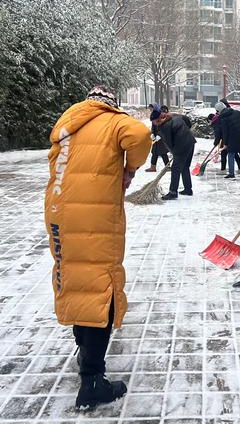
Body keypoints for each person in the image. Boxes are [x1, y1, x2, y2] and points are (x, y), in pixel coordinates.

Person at [44, 86, 151, 408]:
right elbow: (140, 135)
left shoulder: (69, 123)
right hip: (95, 214)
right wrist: (130, 168)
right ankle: (92, 381)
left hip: (60, 212)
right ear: (109, 104)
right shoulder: (111, 120)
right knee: (100, 287)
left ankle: (84, 353)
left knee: (79, 283)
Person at [150, 105, 196, 200]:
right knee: (184, 166)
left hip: (182, 145)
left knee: (175, 168)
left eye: (153, 121)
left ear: (157, 119)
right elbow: (187, 121)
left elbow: (169, 143)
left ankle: (173, 192)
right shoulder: (174, 116)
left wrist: (175, 154)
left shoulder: (164, 126)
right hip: (190, 142)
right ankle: (188, 189)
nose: (153, 123)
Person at [215, 100, 240, 179]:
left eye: (217, 111)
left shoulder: (223, 117)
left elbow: (225, 132)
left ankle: (231, 174)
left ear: (219, 110)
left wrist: (225, 143)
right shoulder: (235, 112)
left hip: (232, 138)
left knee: (231, 155)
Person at [145, 104, 169, 172]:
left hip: (161, 137)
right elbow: (153, 126)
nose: (150, 110)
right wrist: (152, 134)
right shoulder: (154, 115)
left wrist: (160, 135)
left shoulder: (162, 116)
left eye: (151, 108)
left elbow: (163, 127)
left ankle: (167, 166)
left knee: (163, 152)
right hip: (155, 136)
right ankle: (153, 167)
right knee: (154, 152)